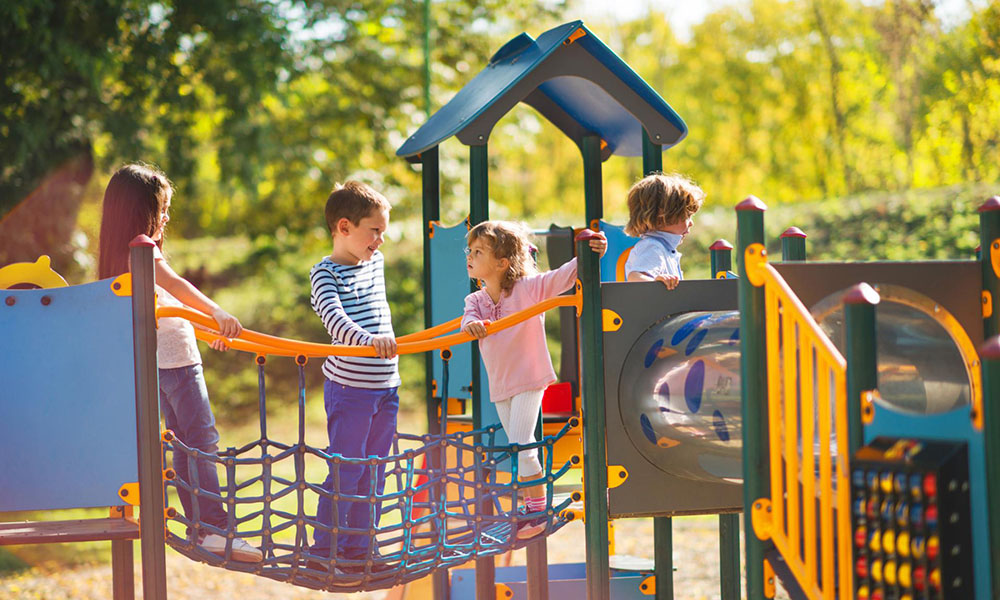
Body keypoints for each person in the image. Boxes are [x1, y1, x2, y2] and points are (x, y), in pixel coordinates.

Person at [97, 163, 262, 562]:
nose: (167, 216)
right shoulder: (145, 248)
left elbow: (164, 310)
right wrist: (218, 313)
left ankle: (202, 527)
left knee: (185, 444)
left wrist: (207, 331)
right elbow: (178, 288)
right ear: (141, 211)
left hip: (157, 365)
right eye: (162, 208)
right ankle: (214, 528)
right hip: (178, 366)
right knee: (200, 442)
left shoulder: (119, 255)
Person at [461, 221, 606, 539]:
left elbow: (563, 276)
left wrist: (589, 250)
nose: (469, 256)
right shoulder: (477, 301)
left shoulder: (528, 289)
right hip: (501, 385)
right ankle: (531, 509)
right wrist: (471, 325)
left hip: (529, 377)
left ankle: (538, 511)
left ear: (502, 262)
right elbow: (467, 320)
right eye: (469, 250)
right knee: (517, 448)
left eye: (478, 251)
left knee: (522, 446)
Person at [308, 181, 399, 576]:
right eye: (374, 230)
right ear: (343, 227)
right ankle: (325, 550)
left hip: (387, 387)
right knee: (347, 468)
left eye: (383, 230)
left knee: (374, 469)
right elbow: (336, 321)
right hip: (350, 389)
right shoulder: (324, 274)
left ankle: (361, 550)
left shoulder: (374, 263)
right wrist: (369, 341)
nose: (381, 239)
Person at [623, 172, 705, 288]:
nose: (691, 223)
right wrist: (655, 282)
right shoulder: (652, 247)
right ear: (663, 216)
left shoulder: (664, 248)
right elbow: (635, 277)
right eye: (687, 216)